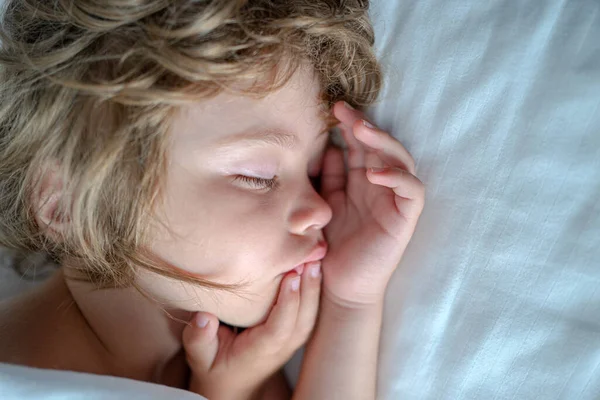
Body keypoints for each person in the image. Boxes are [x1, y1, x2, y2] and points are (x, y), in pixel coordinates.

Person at [0, 0, 424, 398]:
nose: (321, 209)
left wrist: (349, 301)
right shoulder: (27, 373)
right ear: (68, 204)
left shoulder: (233, 354)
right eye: (257, 176)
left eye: (314, 172)